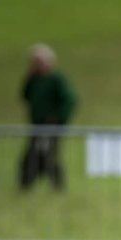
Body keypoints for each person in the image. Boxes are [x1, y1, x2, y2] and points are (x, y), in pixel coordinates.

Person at [19, 44, 78, 190]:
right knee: (32, 155)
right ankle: (26, 184)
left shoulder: (56, 79)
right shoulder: (34, 79)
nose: (37, 64)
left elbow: (70, 100)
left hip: (52, 126)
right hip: (36, 125)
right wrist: (29, 77)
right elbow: (25, 96)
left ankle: (57, 185)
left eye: (39, 61)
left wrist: (58, 118)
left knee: (49, 155)